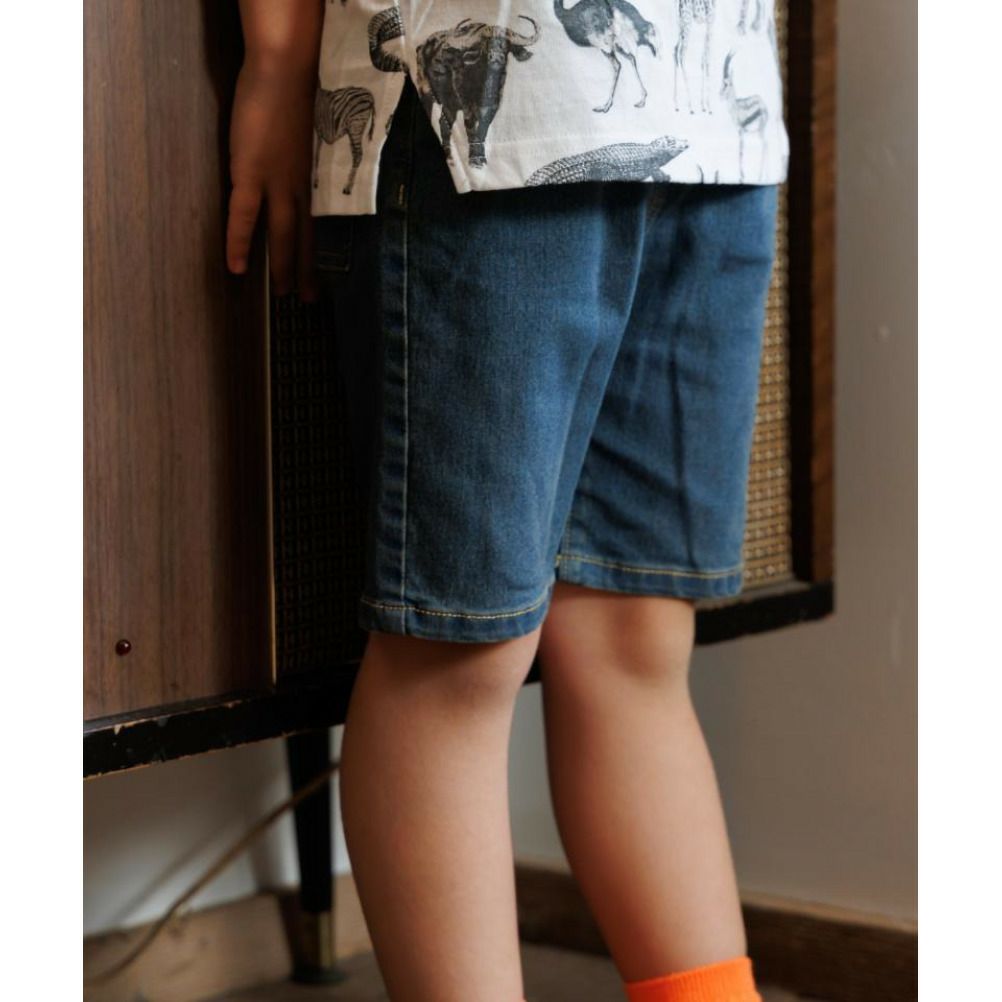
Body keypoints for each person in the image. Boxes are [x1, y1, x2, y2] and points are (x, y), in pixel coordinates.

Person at [227, 3, 788, 1001]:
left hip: (713, 115)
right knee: (459, 649)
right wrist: (276, 55)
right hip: (485, 125)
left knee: (635, 630)